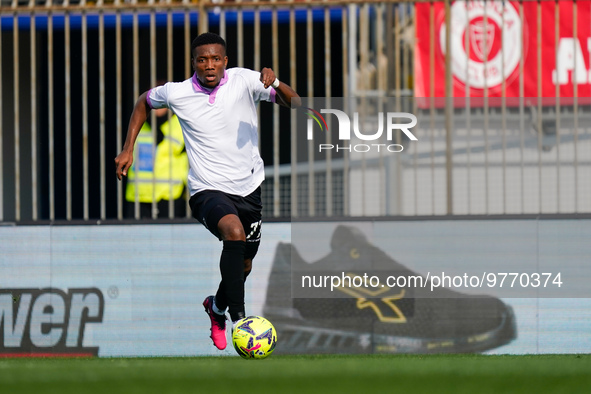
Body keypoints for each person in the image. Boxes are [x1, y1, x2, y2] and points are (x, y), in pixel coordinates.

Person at [115, 32, 300, 351]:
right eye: (202, 60)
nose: (209, 65)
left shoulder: (244, 80)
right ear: (194, 63)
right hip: (206, 190)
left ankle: (216, 308)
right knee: (233, 231)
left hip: (250, 188)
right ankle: (241, 321)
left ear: (225, 62)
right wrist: (127, 148)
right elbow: (143, 103)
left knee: (243, 265)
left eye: (215, 59)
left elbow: (294, 102)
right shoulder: (177, 92)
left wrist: (276, 83)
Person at [125, 106, 189, 219]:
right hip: (138, 195)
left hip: (169, 195)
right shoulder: (138, 124)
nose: (157, 105)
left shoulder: (180, 124)